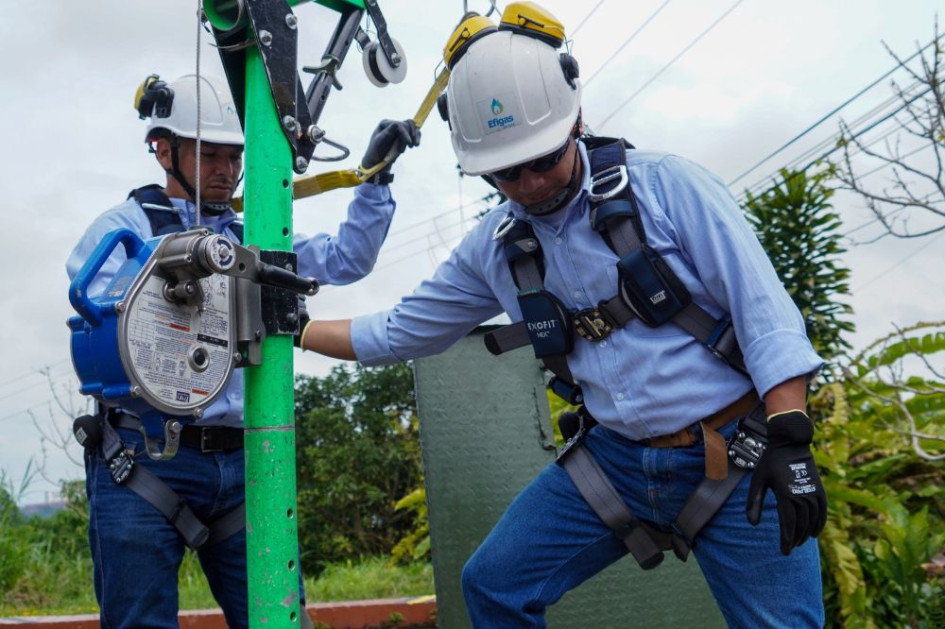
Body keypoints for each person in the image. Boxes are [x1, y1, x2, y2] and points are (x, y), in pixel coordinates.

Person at [299, 4, 828, 627]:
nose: (527, 184)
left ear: (576, 119)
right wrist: (292, 330)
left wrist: (790, 439)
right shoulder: (495, 249)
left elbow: (763, 313)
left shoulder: (668, 189)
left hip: (736, 453)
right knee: (494, 586)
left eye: (542, 159)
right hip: (617, 462)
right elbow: (395, 332)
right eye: (503, 172)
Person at [65, 73, 419, 627]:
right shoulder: (125, 226)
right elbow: (102, 293)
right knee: (138, 621)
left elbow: (347, 258)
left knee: (276, 618)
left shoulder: (252, 236)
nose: (227, 170)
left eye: (235, 157)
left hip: (244, 459)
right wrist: (188, 264)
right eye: (211, 156)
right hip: (147, 458)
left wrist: (375, 180)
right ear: (163, 148)